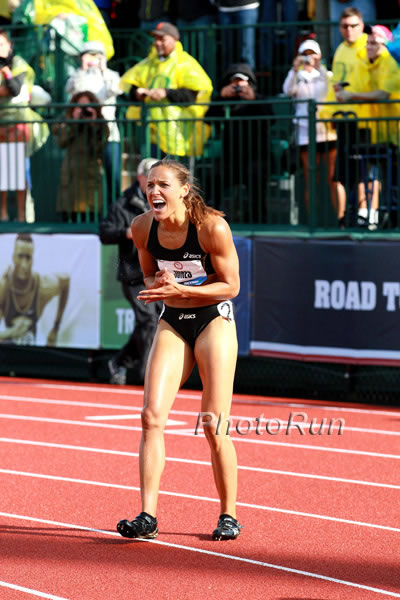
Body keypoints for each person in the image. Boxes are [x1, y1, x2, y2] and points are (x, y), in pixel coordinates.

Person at [116, 158, 242, 541]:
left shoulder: (211, 227)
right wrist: (159, 283)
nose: (154, 191)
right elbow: (149, 274)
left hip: (213, 319)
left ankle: (229, 515)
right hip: (173, 319)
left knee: (213, 423)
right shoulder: (142, 227)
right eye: (150, 185)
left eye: (163, 185)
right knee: (151, 416)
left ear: (184, 190)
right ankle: (148, 516)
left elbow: (232, 286)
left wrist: (183, 288)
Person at [99, 157, 162, 385]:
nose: (156, 186)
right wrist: (126, 232)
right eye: (151, 180)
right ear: (140, 177)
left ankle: (119, 362)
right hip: (133, 274)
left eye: (160, 181)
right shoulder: (123, 203)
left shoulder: (164, 202)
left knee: (159, 321)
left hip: (158, 272)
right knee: (149, 321)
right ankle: (148, 377)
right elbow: (104, 232)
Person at [335, 25, 400, 229]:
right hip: (375, 132)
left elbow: (383, 94)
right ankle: (371, 215)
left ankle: (388, 217)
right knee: (371, 173)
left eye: (375, 43)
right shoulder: (365, 64)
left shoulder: (390, 64)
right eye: (369, 42)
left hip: (394, 131)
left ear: (385, 45)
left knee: (391, 178)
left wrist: (352, 95)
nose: (370, 46)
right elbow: (358, 89)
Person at [120, 22, 213, 159]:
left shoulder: (185, 63)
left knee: (177, 172)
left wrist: (166, 93)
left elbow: (193, 96)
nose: (157, 43)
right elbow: (129, 86)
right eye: (155, 39)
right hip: (151, 134)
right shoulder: (147, 63)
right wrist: (137, 93)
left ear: (175, 40)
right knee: (151, 170)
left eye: (162, 39)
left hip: (179, 135)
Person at [205, 62, 272, 221]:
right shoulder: (225, 101)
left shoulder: (260, 99)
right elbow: (208, 118)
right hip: (230, 159)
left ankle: (256, 219)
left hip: (256, 157)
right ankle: (210, 219)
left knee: (256, 177)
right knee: (213, 176)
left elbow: (271, 118)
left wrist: (254, 99)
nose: (238, 86)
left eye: (242, 82)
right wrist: (221, 97)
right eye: (234, 82)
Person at [283, 39, 340, 217]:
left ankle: (340, 220)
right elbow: (287, 90)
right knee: (311, 179)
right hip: (305, 133)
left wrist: (319, 67)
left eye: (312, 54)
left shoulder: (326, 74)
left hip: (327, 132)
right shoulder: (296, 75)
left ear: (319, 56)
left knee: (333, 177)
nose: (308, 58)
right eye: (305, 54)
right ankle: (313, 220)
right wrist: (295, 68)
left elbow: (332, 89)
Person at [65, 41, 123, 203]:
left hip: (108, 134)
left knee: (113, 176)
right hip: (83, 135)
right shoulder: (78, 75)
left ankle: (115, 212)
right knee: (84, 177)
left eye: (96, 55)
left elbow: (115, 89)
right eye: (88, 55)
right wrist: (83, 69)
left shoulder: (111, 75)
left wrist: (103, 69)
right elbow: (71, 91)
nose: (92, 58)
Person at [0, 233, 70, 345]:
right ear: (13, 257)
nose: (24, 265)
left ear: (33, 260)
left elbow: (66, 280)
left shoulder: (42, 286)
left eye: (28, 258)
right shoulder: (4, 287)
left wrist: (55, 328)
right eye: (20, 256)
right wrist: (11, 332)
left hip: (33, 350)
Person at [52, 90, 109, 222]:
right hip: (70, 179)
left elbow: (99, 147)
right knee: (68, 218)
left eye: (87, 107)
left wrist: (93, 124)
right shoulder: (68, 122)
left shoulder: (101, 125)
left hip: (90, 179)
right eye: (80, 107)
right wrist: (74, 122)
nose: (83, 110)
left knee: (89, 218)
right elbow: (61, 142)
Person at [215, 0, 259, 71]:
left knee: (245, 51)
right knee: (227, 52)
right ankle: (229, 76)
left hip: (247, 7)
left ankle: (247, 76)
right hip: (224, 9)